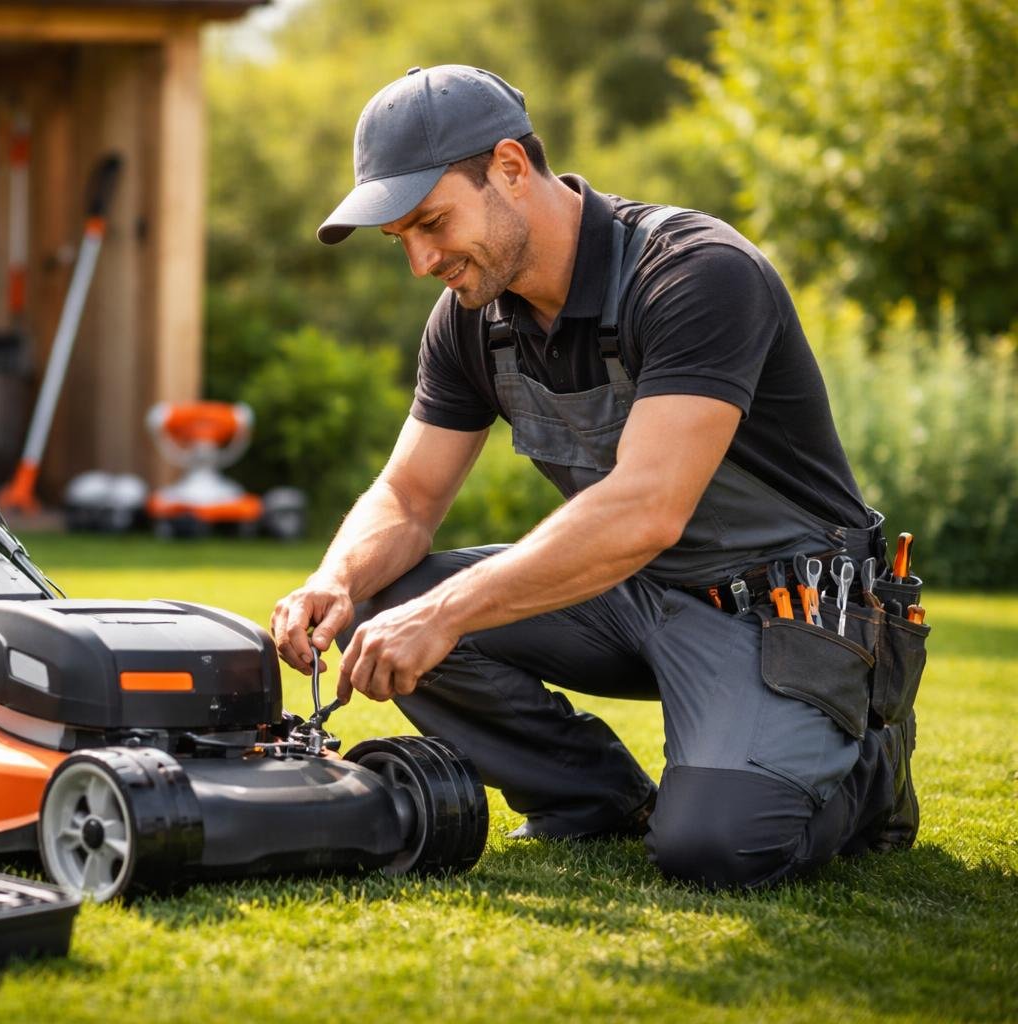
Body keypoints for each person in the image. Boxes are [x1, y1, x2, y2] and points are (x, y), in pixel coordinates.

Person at [269, 65, 919, 889]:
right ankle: (596, 800)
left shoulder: (695, 273)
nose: (422, 261)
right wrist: (336, 579)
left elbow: (647, 507)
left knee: (717, 849)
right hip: (628, 596)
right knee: (383, 605)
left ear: (509, 167)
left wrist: (448, 610)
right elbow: (408, 497)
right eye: (402, 238)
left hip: (777, 614)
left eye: (432, 223)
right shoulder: (471, 321)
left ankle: (865, 762)